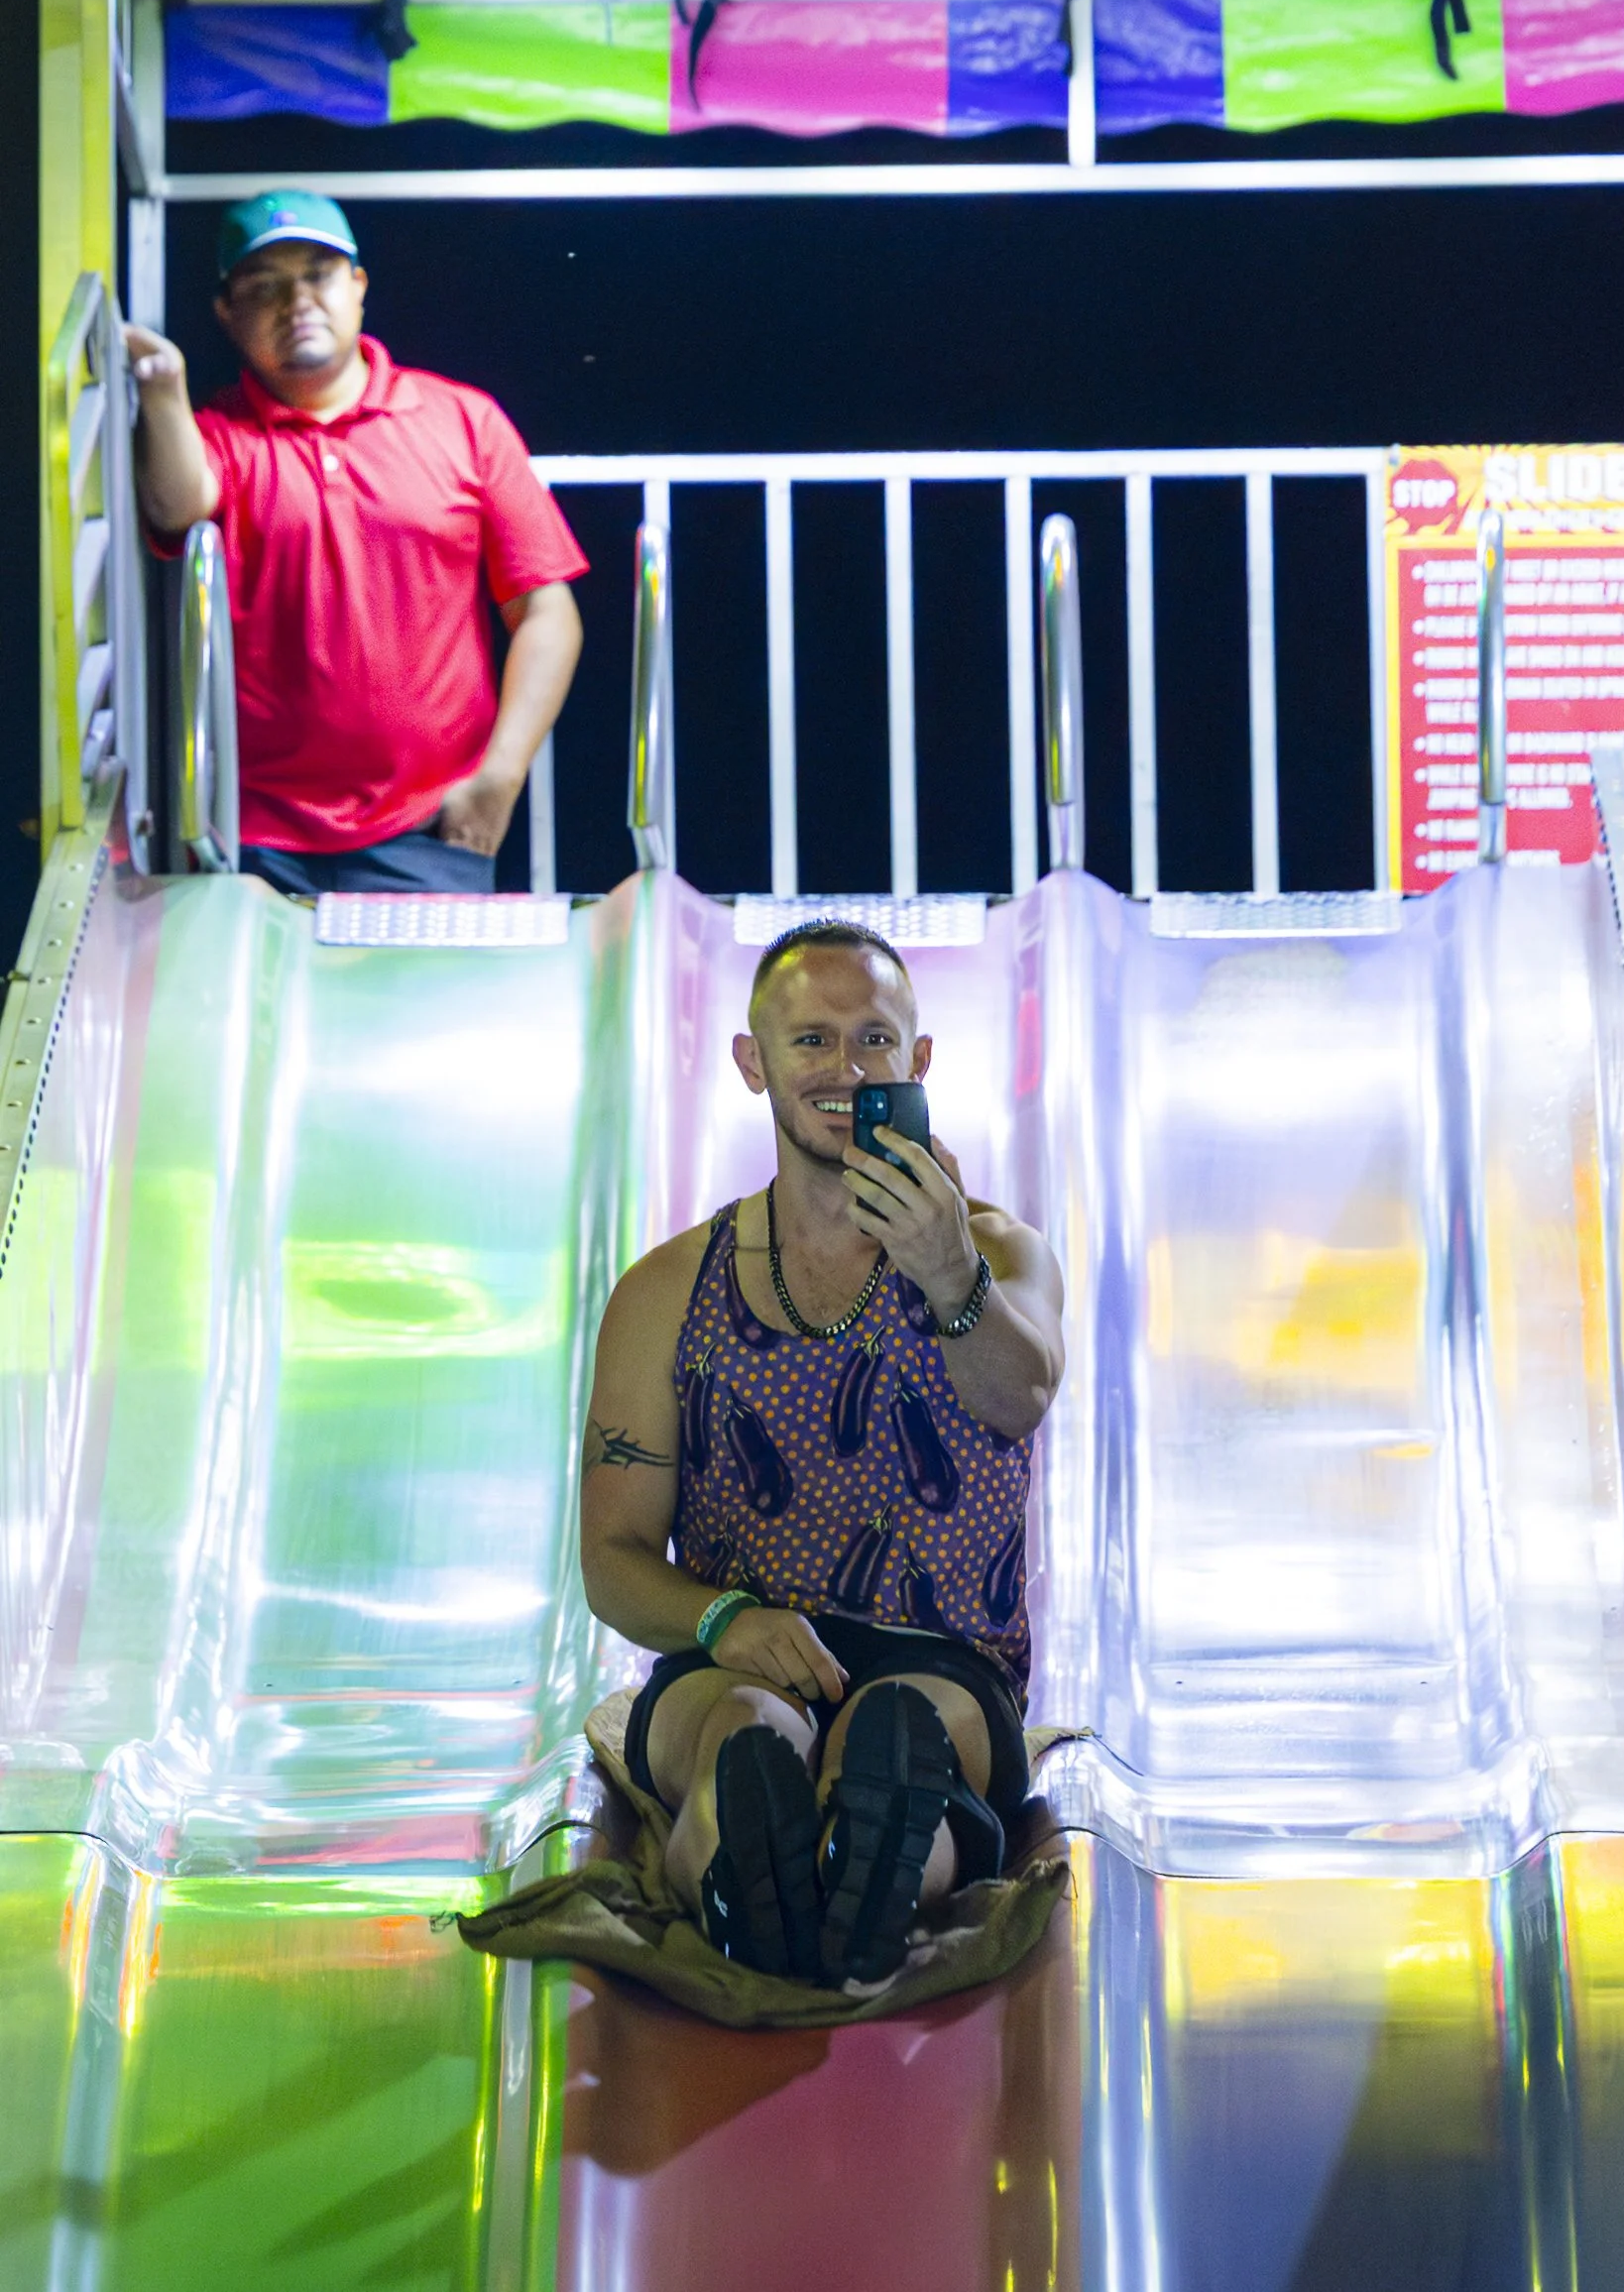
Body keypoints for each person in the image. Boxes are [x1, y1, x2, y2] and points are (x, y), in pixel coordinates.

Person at [580, 916, 1065, 1986]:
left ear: (918, 1060)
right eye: (809, 1041)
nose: (845, 1068)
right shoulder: (667, 1291)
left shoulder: (995, 1252)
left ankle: (850, 1880)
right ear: (753, 1063)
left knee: (902, 1732)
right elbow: (611, 1554)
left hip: (941, 1659)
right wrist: (726, 1620)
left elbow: (1021, 1394)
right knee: (748, 1730)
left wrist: (946, 1276)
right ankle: (767, 1865)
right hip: (736, 1650)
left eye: (873, 1040)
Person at [126, 190, 587, 896]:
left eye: (318, 273)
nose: (297, 300)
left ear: (359, 287)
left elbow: (547, 613)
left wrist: (499, 777)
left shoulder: (464, 420)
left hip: (431, 831)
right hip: (250, 841)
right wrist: (163, 391)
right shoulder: (217, 431)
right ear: (227, 312)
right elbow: (179, 503)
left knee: (437, 1012)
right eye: (264, 285)